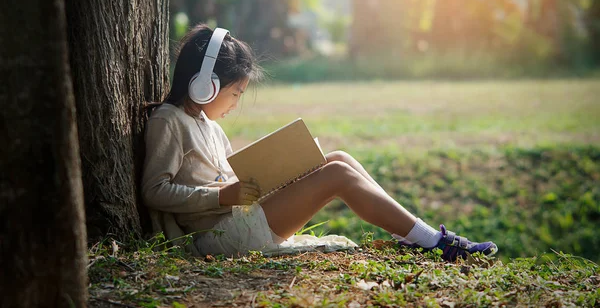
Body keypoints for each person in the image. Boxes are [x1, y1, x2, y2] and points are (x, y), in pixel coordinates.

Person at [142, 24, 498, 262]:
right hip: (218, 238)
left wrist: (275, 177)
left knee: (335, 159)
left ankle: (412, 235)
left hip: (237, 218)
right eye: (235, 93)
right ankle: (435, 244)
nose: (235, 103)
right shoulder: (168, 121)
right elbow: (154, 191)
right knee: (336, 177)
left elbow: (237, 182)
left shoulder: (211, 127)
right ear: (207, 85)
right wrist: (222, 195)